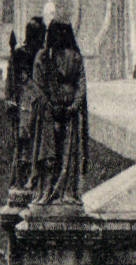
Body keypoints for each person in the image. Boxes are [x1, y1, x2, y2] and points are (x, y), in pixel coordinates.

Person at [28, 20, 90, 207]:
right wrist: (62, 106)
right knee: (51, 154)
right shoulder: (45, 57)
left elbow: (81, 86)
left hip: (63, 113)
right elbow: (39, 86)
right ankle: (51, 191)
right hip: (52, 113)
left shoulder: (73, 58)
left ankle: (62, 192)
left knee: (65, 154)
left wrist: (70, 107)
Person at [5, 17, 47, 192]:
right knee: (24, 142)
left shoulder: (41, 54)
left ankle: (31, 180)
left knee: (34, 143)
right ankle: (21, 180)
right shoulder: (23, 54)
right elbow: (14, 80)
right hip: (26, 103)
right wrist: (11, 99)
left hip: (34, 103)